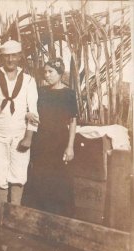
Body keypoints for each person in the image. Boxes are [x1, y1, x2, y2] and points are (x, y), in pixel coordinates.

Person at [0, 40, 39, 209]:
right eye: (7, 56)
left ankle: (15, 214)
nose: (10, 60)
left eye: (14, 55)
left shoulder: (28, 81)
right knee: (0, 174)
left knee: (19, 174)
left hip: (20, 135)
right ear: (1, 57)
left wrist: (29, 137)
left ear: (20, 57)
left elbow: (33, 111)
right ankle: (2, 215)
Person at [27, 57, 78, 217]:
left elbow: (72, 121)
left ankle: (60, 217)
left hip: (59, 142)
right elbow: (29, 108)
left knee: (60, 178)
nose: (47, 75)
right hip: (41, 141)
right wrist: (28, 113)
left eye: (51, 72)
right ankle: (41, 216)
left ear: (60, 73)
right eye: (45, 72)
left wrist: (70, 146)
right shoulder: (40, 92)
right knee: (41, 177)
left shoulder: (69, 94)